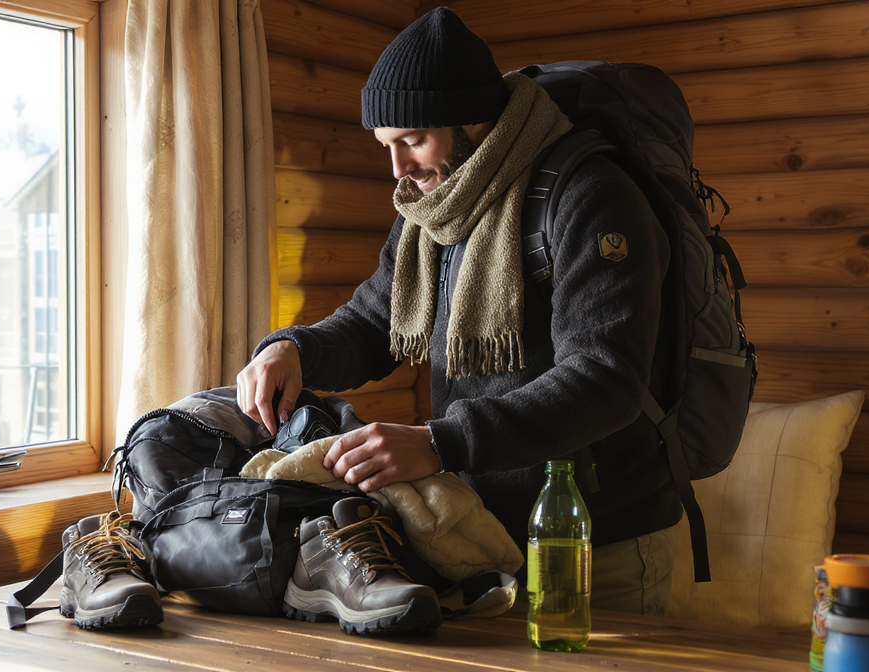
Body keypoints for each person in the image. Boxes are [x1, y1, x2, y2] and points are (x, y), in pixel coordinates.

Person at [236, 7, 681, 616]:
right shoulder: (437, 207)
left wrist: (440, 443)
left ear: (473, 119)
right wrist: (292, 348)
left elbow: (605, 378)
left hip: (596, 537)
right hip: (477, 535)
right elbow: (374, 321)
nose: (399, 170)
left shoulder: (593, 196)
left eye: (412, 141)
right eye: (387, 146)